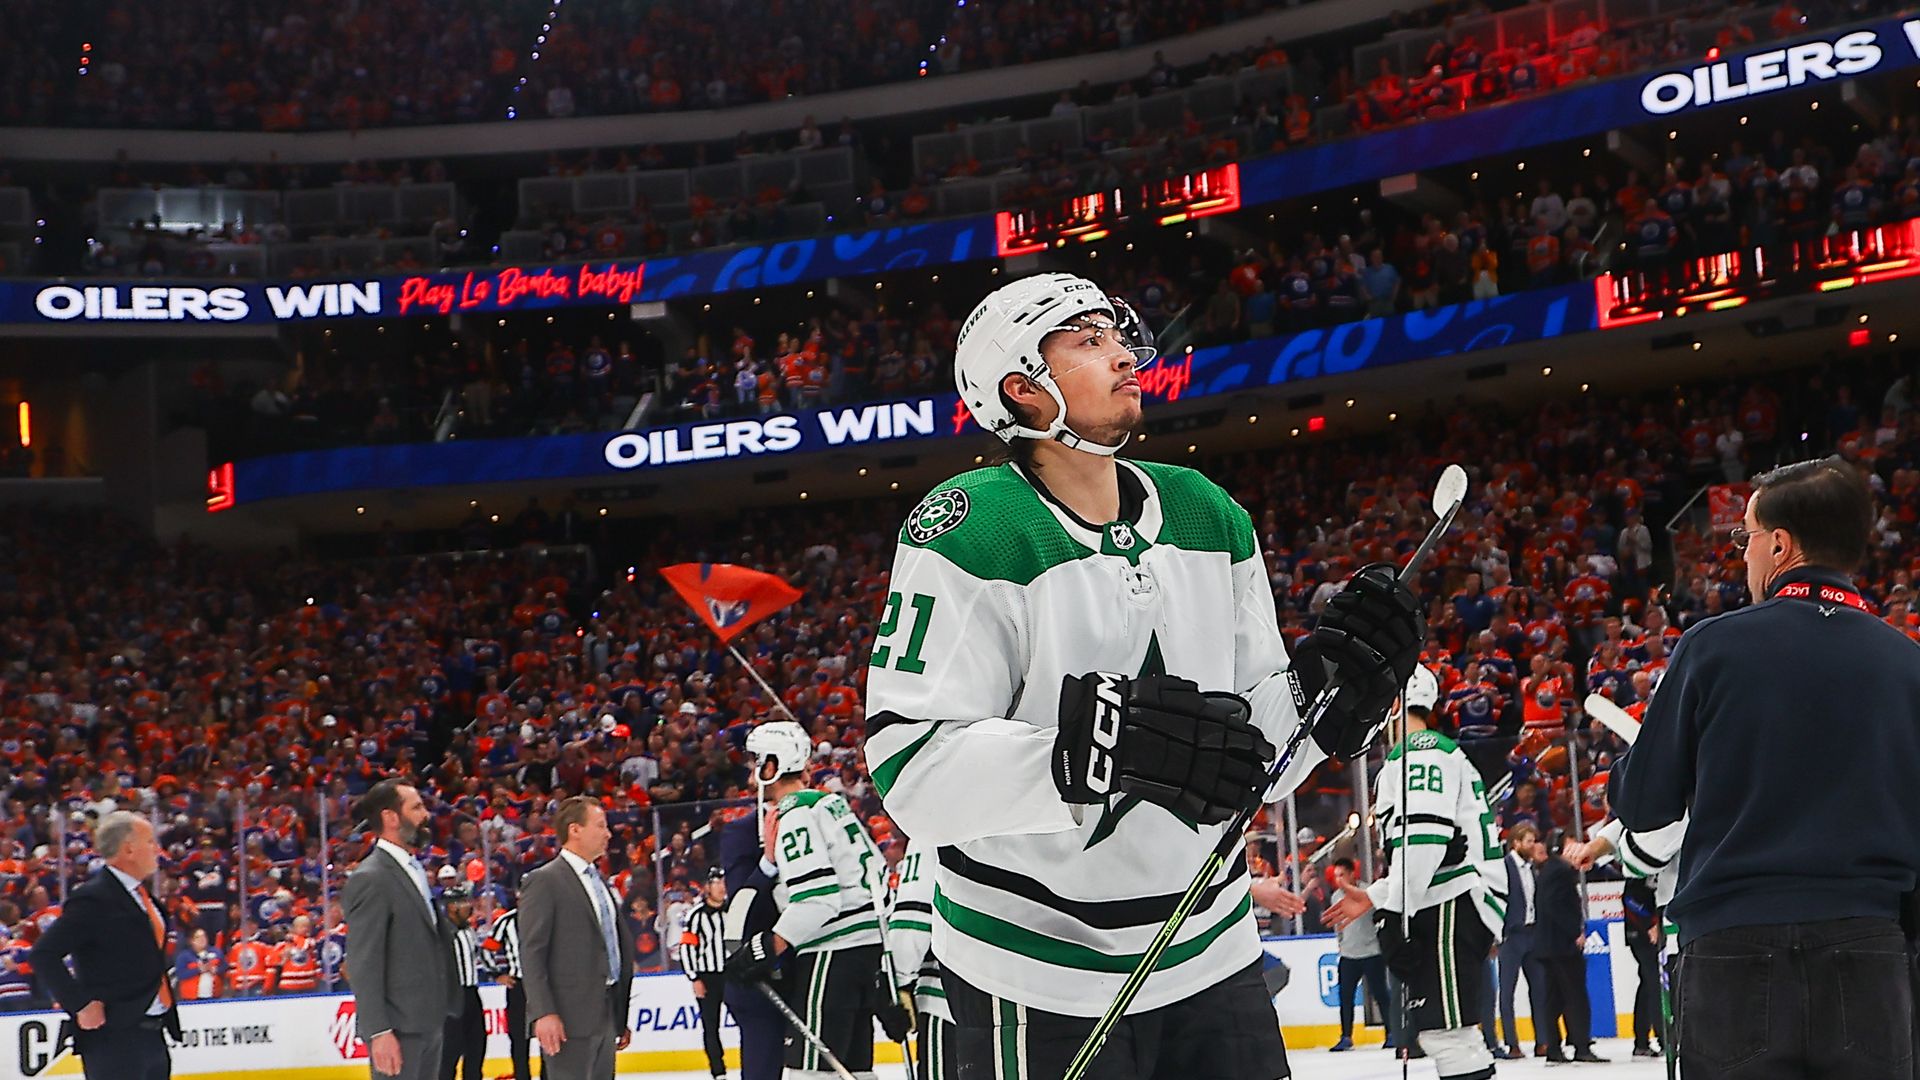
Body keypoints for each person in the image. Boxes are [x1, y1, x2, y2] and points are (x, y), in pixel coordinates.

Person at [861, 272, 1424, 1078]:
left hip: (1211, 951)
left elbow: (1250, 758)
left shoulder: (1207, 511)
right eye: (1088, 341)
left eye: (1117, 335)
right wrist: (1090, 752)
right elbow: (912, 770)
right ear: (1023, 389)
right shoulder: (969, 528)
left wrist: (1329, 697)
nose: (1124, 354)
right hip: (1030, 967)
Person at [1611, 456, 1920, 1078]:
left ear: (1780, 544)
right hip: (1868, 950)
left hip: (1734, 950)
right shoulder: (1907, 664)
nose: (1743, 553)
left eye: (1744, 537)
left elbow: (1644, 803)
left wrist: (1644, 752)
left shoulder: (1712, 649)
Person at [1326, 665, 1506, 1080]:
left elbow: (1423, 843)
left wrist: (1392, 913)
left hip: (1450, 902)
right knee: (1446, 1032)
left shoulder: (1419, 752)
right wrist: (1376, 896)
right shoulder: (1431, 752)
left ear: (1394, 703)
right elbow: (1427, 847)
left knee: (1449, 1034)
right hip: (1451, 898)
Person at [726, 720, 885, 1080]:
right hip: (865, 953)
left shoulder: (793, 813)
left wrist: (769, 945)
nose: (752, 772)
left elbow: (818, 899)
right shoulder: (832, 805)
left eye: (756, 761)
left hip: (832, 955)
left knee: (810, 1074)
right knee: (855, 1071)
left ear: (772, 766)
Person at [27, 811, 181, 1080]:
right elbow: (44, 953)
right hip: (114, 1036)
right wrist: (80, 1004)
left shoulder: (144, 898)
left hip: (153, 1032)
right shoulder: (94, 898)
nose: (156, 849)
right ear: (129, 848)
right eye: (149, 842)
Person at [343, 779, 458, 1080]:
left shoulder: (413, 868)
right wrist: (378, 1030)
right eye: (417, 807)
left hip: (427, 1021)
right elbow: (364, 961)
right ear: (391, 818)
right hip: (398, 1027)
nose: (426, 815)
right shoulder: (371, 877)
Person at [519, 796, 636, 1080]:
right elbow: (532, 953)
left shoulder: (599, 881)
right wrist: (543, 1012)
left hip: (606, 1012)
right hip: (568, 1018)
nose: (608, 833)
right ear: (575, 830)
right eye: (600, 825)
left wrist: (619, 1014)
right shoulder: (545, 880)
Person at [718, 802, 784, 1080]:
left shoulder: (818, 822)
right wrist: (767, 863)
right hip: (760, 980)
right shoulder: (742, 832)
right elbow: (741, 905)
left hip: (811, 973)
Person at [1527, 830, 1600, 1063]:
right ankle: (1581, 1046)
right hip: (1561, 945)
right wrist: (1574, 931)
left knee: (1553, 998)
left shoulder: (1550, 870)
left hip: (1549, 945)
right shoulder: (1559, 871)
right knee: (1574, 996)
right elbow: (1555, 906)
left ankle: (1554, 1049)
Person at [885, 836, 954, 1080]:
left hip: (950, 997)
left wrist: (897, 979)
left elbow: (915, 911)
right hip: (1032, 996)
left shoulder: (932, 818)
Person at [1323, 859, 1390, 1053]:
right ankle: (1346, 1036)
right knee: (1345, 997)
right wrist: (1341, 945)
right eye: (1336, 876)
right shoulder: (1336, 897)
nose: (1339, 880)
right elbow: (1338, 926)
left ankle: (1391, 1032)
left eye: (1342, 875)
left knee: (1380, 994)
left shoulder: (1368, 893)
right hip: (1348, 955)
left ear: (1353, 874)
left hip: (1371, 952)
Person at [1494, 824, 1543, 1060]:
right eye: (1529, 841)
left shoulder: (1533, 869)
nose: (1533, 846)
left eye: (1534, 841)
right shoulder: (1504, 868)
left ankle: (1542, 1041)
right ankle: (1512, 1043)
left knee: (1540, 989)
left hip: (1532, 935)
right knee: (1508, 992)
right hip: (1511, 936)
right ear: (1516, 843)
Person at [679, 868, 730, 1080]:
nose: (721, 886)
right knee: (711, 1026)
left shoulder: (733, 911)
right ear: (708, 887)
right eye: (716, 882)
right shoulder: (696, 915)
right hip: (708, 977)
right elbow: (687, 948)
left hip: (733, 974)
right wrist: (694, 978)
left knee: (749, 1020)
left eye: (723, 882)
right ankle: (718, 1072)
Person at [484, 900, 542, 1080]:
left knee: (549, 1036)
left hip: (543, 984)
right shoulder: (506, 921)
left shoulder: (546, 916)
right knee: (518, 1037)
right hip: (518, 986)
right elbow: (487, 949)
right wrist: (497, 974)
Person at [442, 883, 486, 1080]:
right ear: (451, 906)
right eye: (463, 901)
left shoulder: (469, 930)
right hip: (451, 996)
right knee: (449, 1053)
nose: (469, 905)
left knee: (477, 1047)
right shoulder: (442, 933)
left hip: (472, 994)